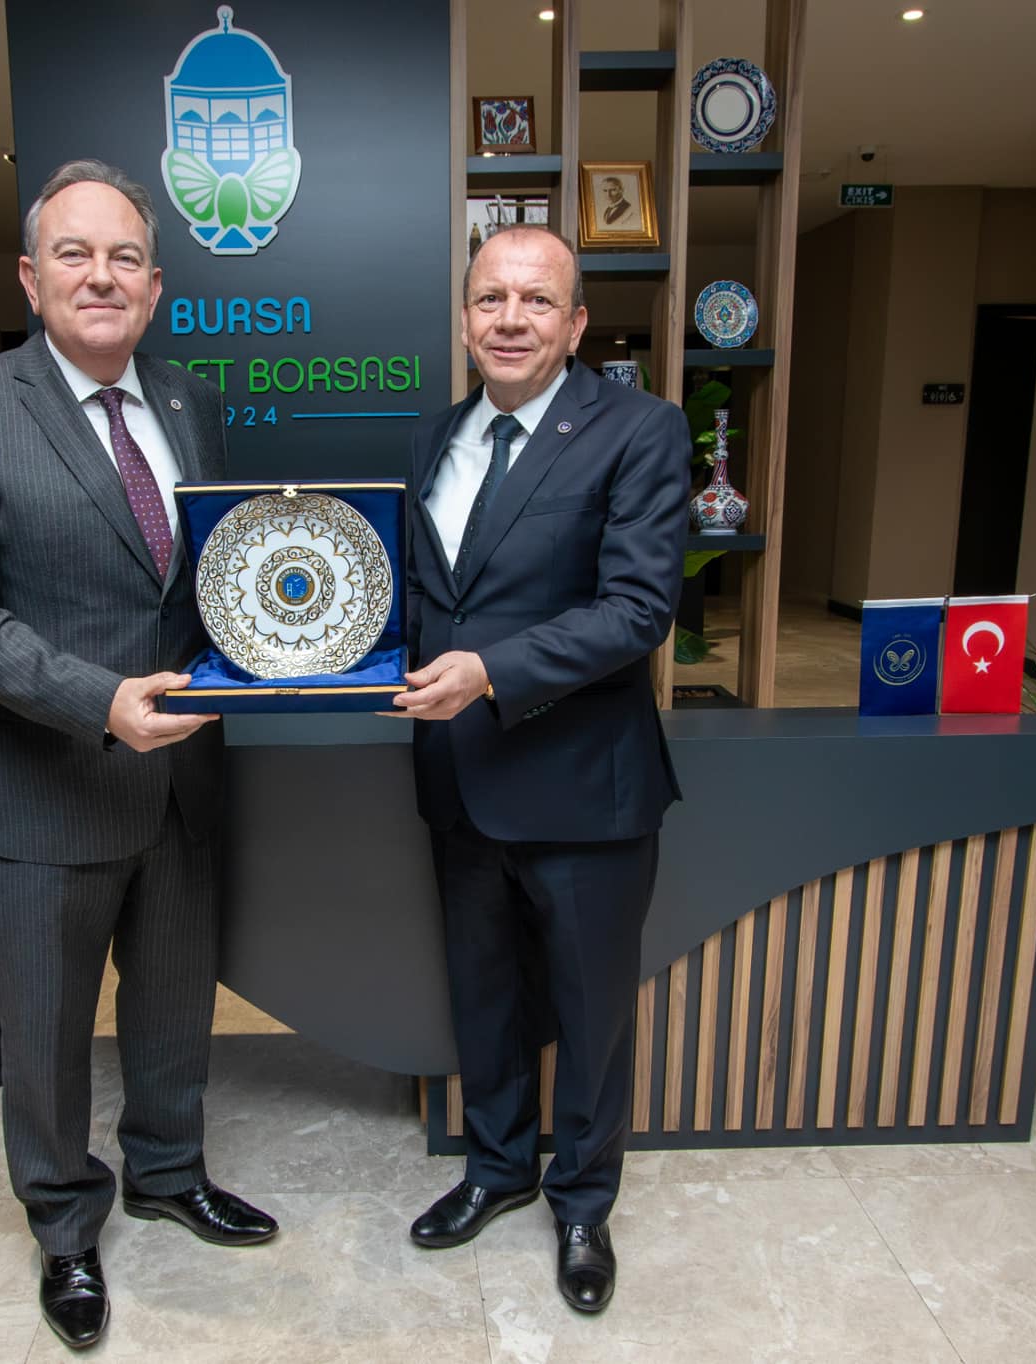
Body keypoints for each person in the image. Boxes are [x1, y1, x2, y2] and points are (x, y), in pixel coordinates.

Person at [0, 158, 278, 1352]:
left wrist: (299, 650)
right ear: (31, 276)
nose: (100, 276)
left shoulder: (188, 401)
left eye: (124, 257)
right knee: (49, 1029)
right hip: (47, 783)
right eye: (74, 254)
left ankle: (167, 1170)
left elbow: (208, 576)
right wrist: (95, 701)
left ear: (154, 286)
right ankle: (64, 1224)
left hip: (182, 778)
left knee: (171, 1002)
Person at [392, 226, 689, 1314]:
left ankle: (582, 1203)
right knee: (485, 996)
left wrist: (488, 671)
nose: (509, 319)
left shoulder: (640, 429)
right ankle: (497, 1166)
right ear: (466, 316)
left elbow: (637, 609)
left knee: (590, 1013)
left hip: (582, 785)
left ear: (574, 324)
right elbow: (422, 596)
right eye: (490, 298)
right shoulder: (434, 436)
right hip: (459, 774)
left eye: (535, 300)